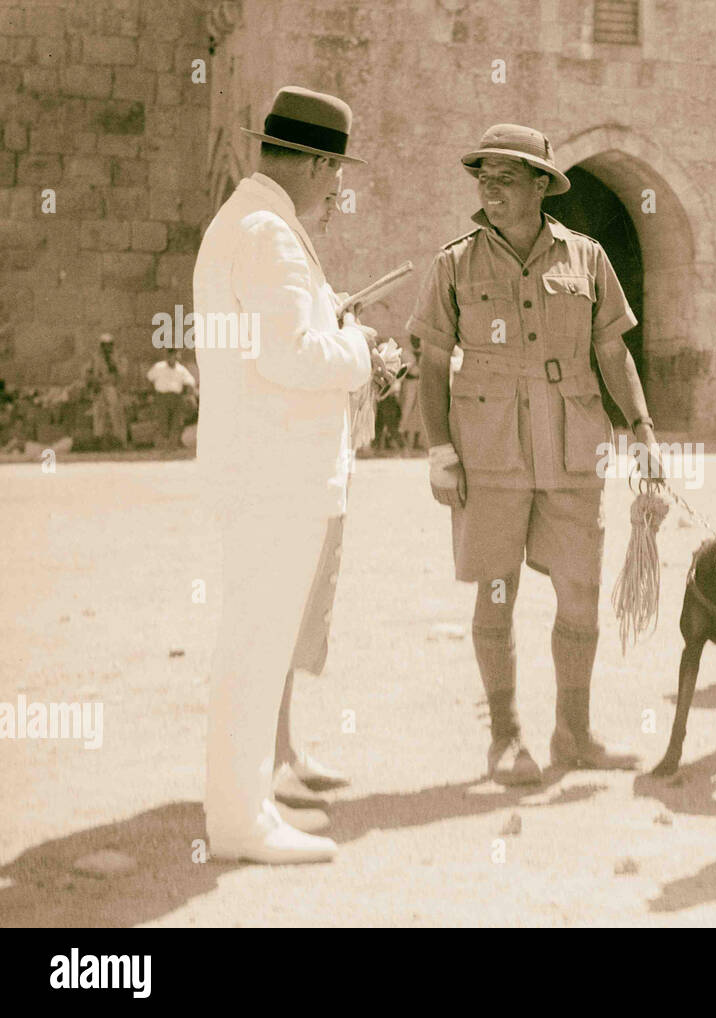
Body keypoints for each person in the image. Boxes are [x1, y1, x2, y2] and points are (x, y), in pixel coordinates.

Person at [410, 123, 659, 784]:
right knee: (497, 592)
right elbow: (432, 363)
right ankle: (505, 736)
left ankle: (573, 734)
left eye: (507, 178)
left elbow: (612, 351)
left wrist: (642, 429)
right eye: (483, 177)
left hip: (573, 449)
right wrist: (439, 450)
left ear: (542, 185)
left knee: (580, 592)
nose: (490, 189)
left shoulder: (587, 259)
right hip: (488, 453)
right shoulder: (454, 263)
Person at [194, 85, 392, 864]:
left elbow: (274, 338)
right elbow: (291, 357)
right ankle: (242, 822)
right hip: (277, 475)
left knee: (254, 644)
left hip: (258, 467)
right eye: (335, 168)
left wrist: (327, 320)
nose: (338, 184)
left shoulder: (247, 222)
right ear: (312, 163)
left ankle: (244, 807)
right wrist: (362, 351)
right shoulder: (270, 234)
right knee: (256, 645)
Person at [145, 349, 196, 449]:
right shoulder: (158, 367)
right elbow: (149, 379)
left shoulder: (181, 369)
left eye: (174, 355)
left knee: (176, 422)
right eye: (170, 355)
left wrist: (188, 395)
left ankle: (173, 445)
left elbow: (190, 382)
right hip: (162, 397)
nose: (172, 357)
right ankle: (163, 445)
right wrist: (150, 394)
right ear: (167, 356)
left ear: (177, 356)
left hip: (176, 397)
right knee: (163, 421)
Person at [84, 333, 129, 447]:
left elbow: (123, 372)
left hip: (112, 387)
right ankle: (99, 439)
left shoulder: (118, 357)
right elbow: (88, 371)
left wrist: (114, 363)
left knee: (116, 413)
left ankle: (119, 440)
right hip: (99, 388)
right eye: (104, 345)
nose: (107, 347)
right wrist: (93, 382)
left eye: (109, 345)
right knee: (99, 414)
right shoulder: (95, 357)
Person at [398, 339, 426, 450]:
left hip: (420, 382)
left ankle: (416, 440)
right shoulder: (407, 352)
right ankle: (400, 435)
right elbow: (409, 369)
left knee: (418, 412)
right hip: (409, 382)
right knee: (406, 409)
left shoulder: (423, 350)